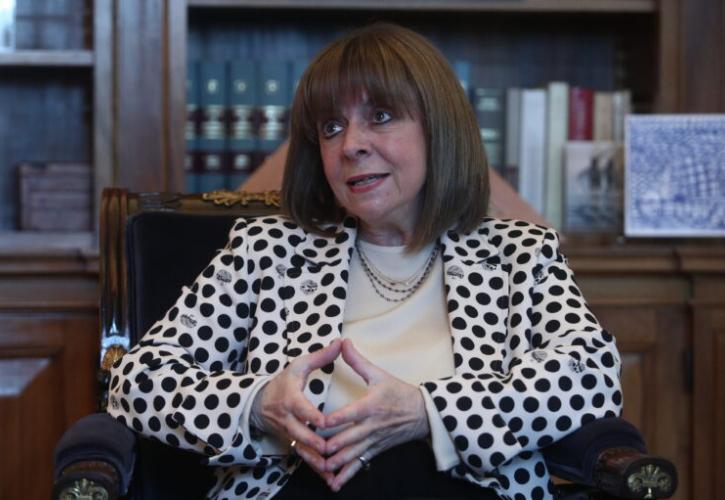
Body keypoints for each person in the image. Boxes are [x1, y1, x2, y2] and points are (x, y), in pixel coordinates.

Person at [108, 23, 622, 500]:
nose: (351, 145)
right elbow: (137, 381)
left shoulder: (518, 254)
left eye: (381, 116)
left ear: (438, 127)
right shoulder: (266, 250)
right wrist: (259, 404)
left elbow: (592, 375)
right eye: (331, 127)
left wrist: (428, 412)